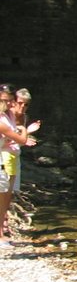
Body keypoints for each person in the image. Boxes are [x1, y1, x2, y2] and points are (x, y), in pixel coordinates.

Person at [0, 85, 39, 243]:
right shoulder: (6, 116)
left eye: (26, 104)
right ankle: (1, 231)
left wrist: (22, 134)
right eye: (5, 101)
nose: (21, 106)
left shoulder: (13, 115)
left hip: (12, 156)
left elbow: (13, 139)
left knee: (7, 195)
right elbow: (18, 137)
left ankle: (3, 228)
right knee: (4, 195)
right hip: (6, 157)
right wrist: (26, 131)